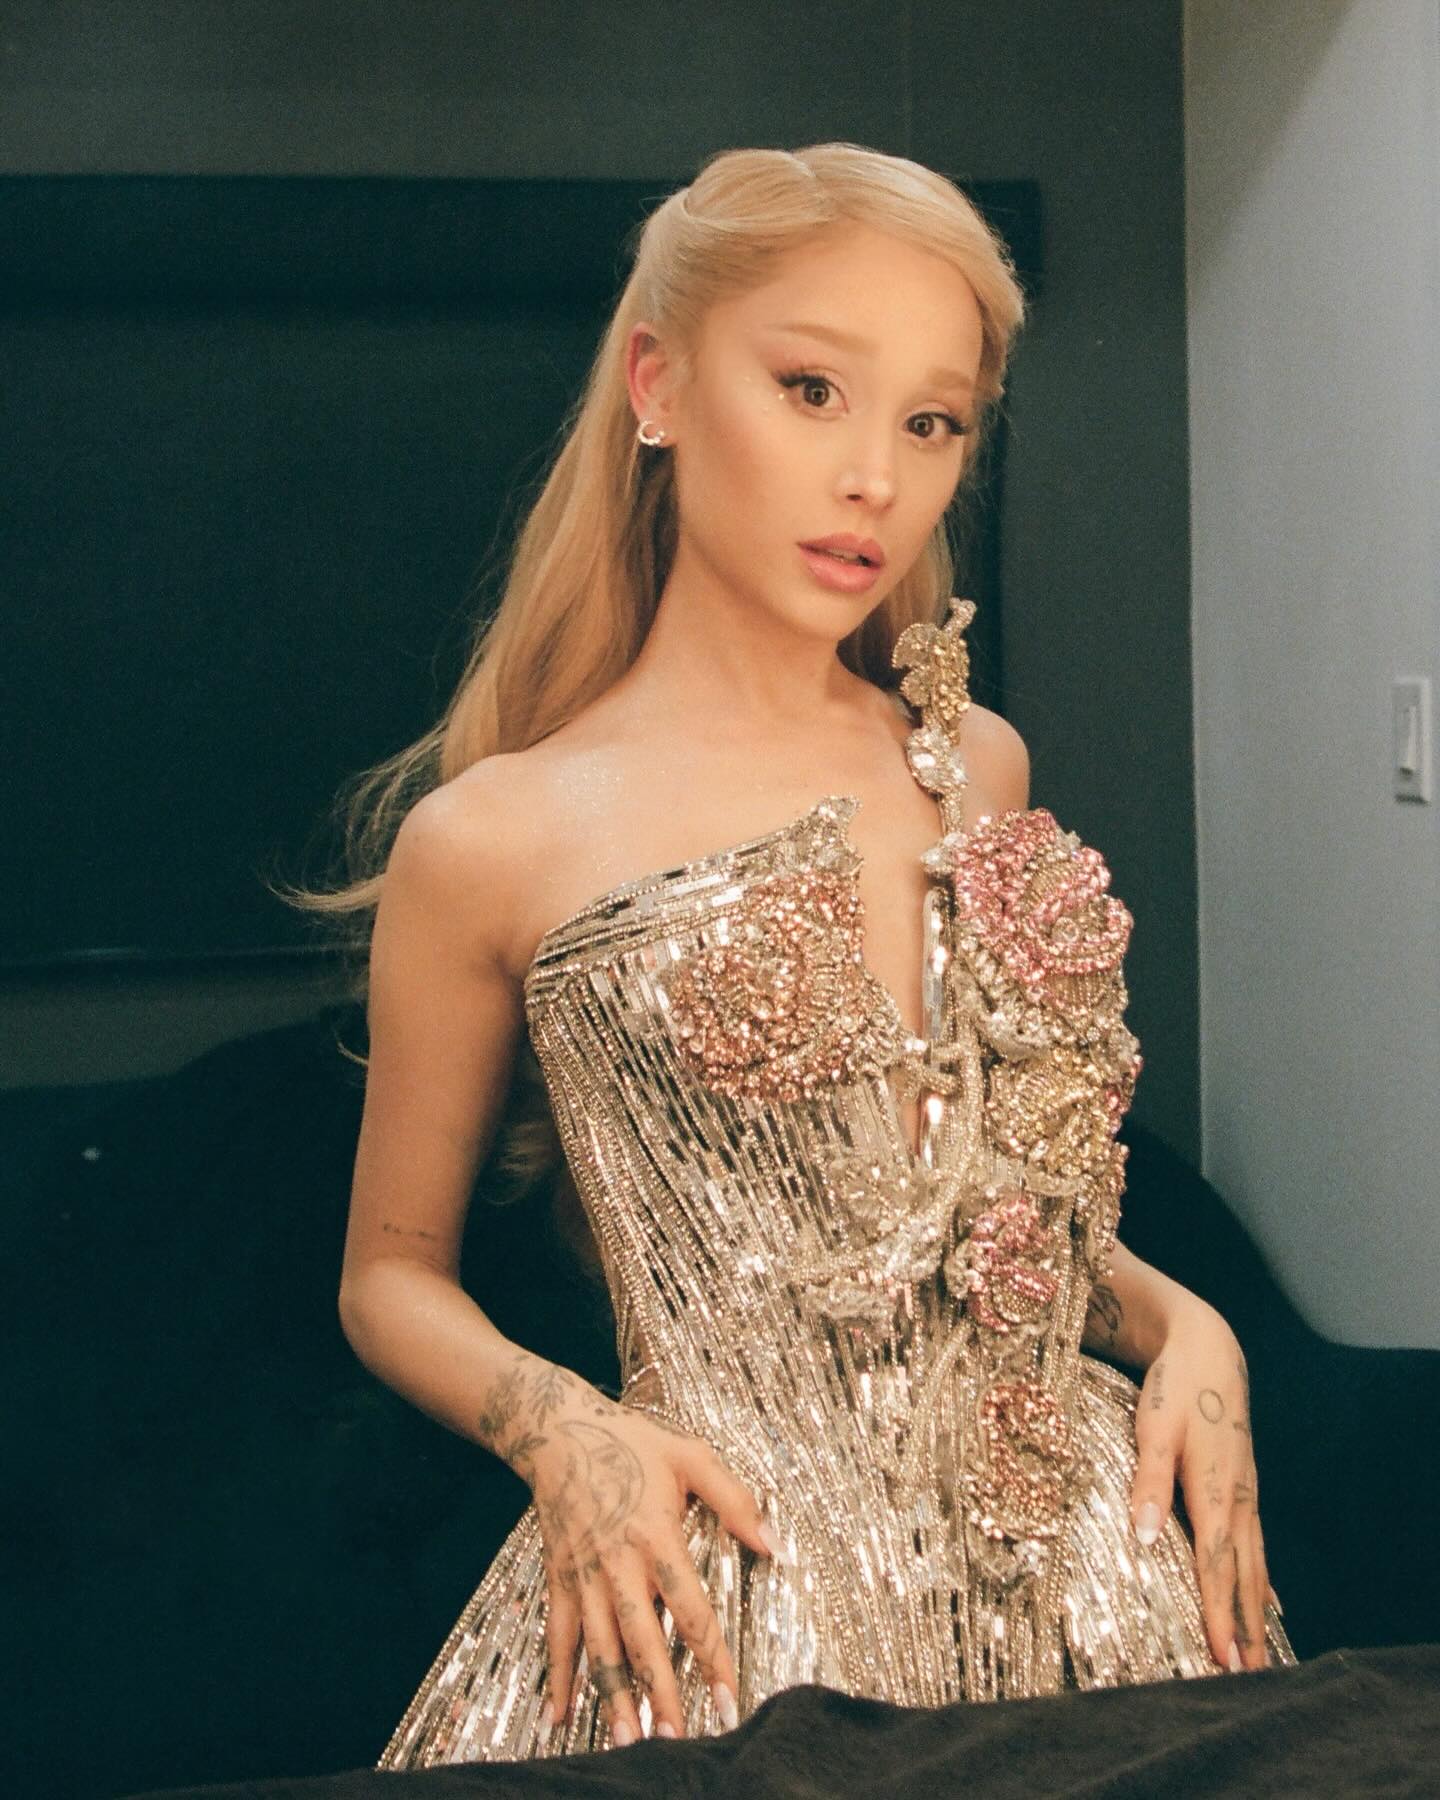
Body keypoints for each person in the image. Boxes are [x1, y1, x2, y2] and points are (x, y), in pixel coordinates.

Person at [301, 141, 1297, 1766]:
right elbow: (387, 1277)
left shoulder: (971, 764)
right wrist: (566, 1434)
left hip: (1082, 1569)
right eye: (813, 390)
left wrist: (1189, 1325)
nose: (874, 481)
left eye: (931, 422)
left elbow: (974, 1218)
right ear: (660, 386)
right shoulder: (491, 838)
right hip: (738, 1585)